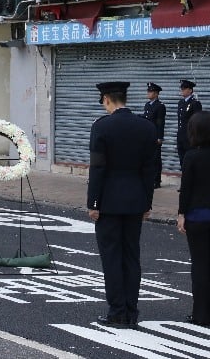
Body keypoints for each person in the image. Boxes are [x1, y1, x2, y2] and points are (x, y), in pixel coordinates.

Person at [86, 81, 157, 327]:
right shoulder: (146, 127)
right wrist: (148, 202)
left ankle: (117, 311)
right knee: (131, 256)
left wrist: (93, 202)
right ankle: (132, 311)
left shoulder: (102, 127)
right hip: (136, 199)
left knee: (112, 257)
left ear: (106, 99)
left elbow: (97, 167)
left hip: (108, 201)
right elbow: (150, 170)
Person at [176, 111, 210, 326]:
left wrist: (182, 214)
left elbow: (186, 189)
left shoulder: (192, 156)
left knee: (200, 265)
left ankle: (200, 314)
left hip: (197, 217)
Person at [142, 82, 166, 189]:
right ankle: (149, 178)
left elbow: (160, 123)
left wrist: (160, 137)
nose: (148, 93)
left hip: (155, 136)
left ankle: (157, 181)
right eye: (148, 91)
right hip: (147, 136)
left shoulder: (160, 106)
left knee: (156, 159)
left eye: (150, 91)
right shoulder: (147, 105)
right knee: (148, 158)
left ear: (156, 94)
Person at [176, 79, 202, 170]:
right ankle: (185, 177)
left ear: (190, 90)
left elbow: (198, 121)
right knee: (182, 159)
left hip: (190, 137)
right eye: (181, 88)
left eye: (184, 88)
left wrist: (196, 137)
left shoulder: (195, 103)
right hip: (181, 135)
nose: (182, 90)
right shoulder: (181, 103)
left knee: (191, 159)